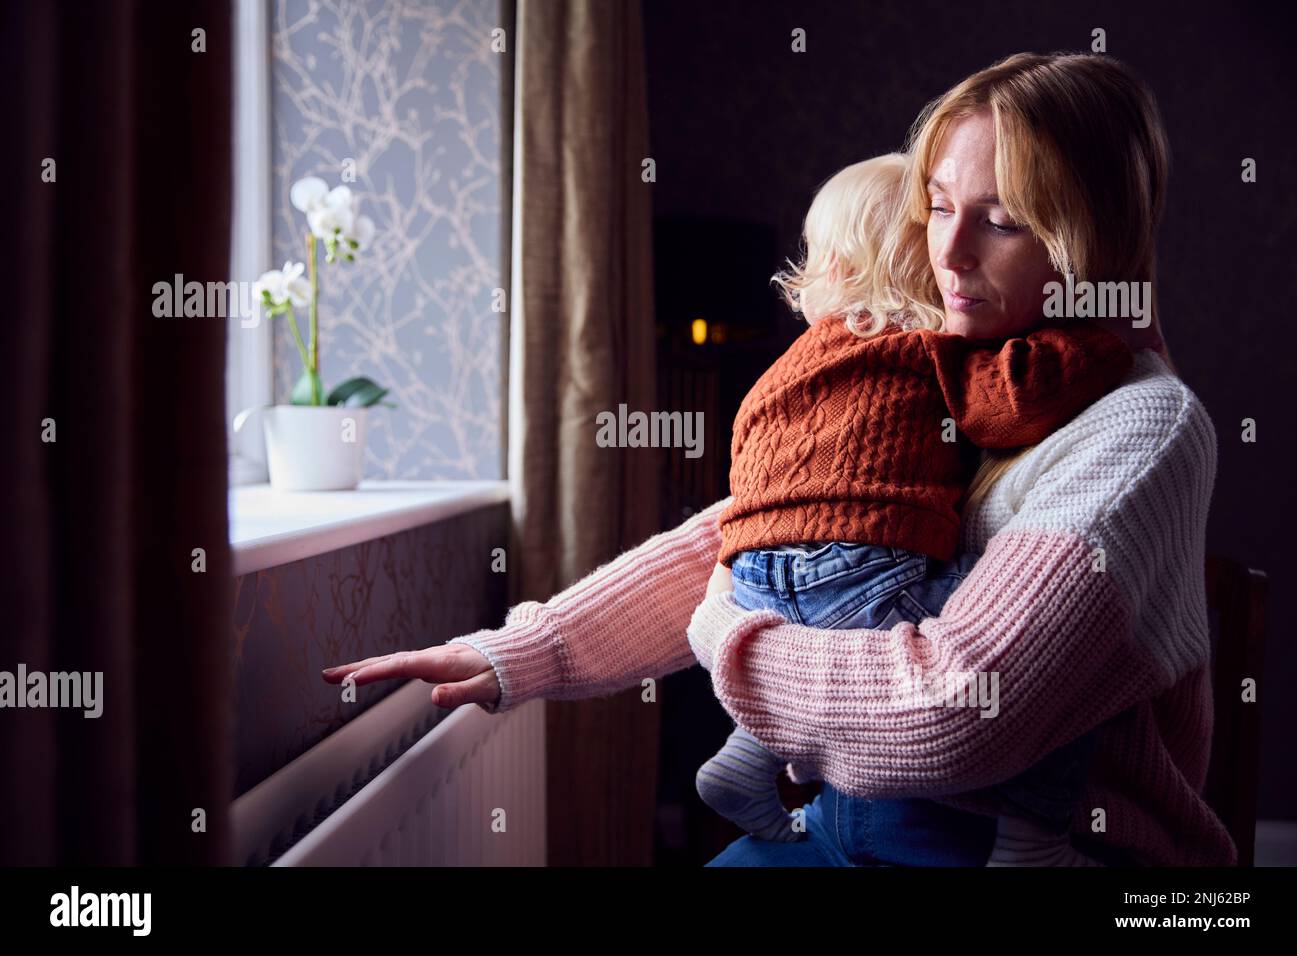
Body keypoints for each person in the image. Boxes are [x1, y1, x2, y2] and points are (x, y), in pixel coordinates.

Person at [322, 52, 1235, 867]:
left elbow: (952, 713)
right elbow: (763, 534)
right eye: (938, 208)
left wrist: (729, 638)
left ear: (1090, 241)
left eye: (1002, 222)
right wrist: (518, 652)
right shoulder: (949, 367)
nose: (946, 253)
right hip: (851, 825)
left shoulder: (1141, 428)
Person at [694, 151, 1128, 867]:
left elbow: (749, 473)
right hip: (858, 568)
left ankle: (746, 758)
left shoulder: (786, 367)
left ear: (829, 267)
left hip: (750, 576)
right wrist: (1096, 342)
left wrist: (734, 573)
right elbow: (1015, 400)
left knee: (814, 635)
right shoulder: (923, 349)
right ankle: (1034, 836)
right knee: (1058, 660)